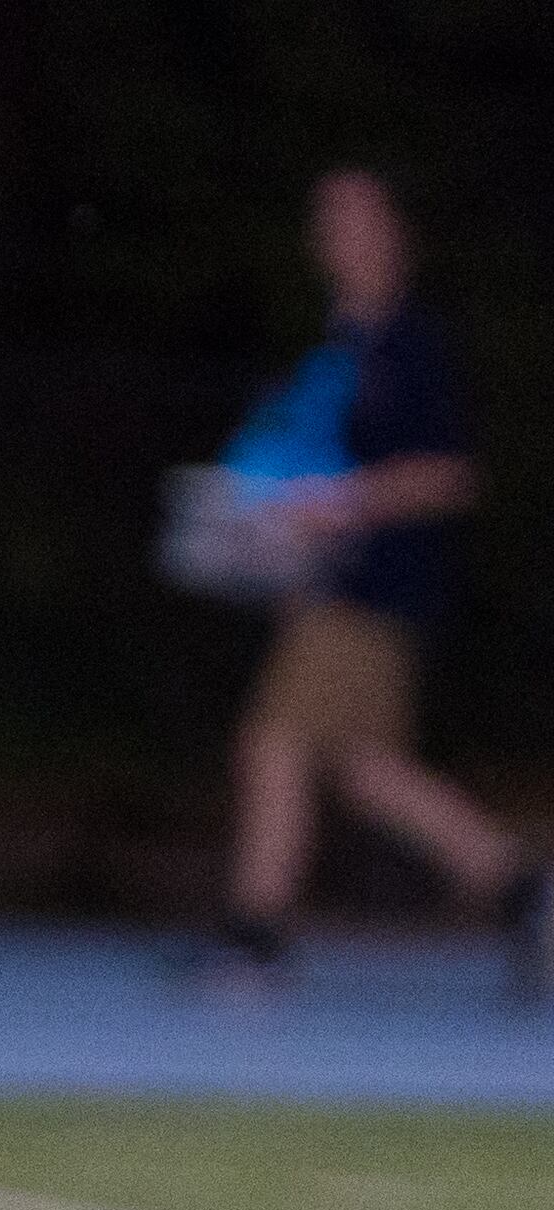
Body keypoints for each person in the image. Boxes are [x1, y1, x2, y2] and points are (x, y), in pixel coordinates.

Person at [204, 168, 551, 990]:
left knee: (274, 744)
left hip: (373, 591)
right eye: (327, 219)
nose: (338, 235)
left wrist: (343, 504)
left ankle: (257, 935)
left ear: (398, 232)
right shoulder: (339, 344)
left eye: (357, 218)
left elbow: (450, 474)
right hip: (329, 590)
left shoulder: (410, 344)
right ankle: (526, 892)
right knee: (367, 772)